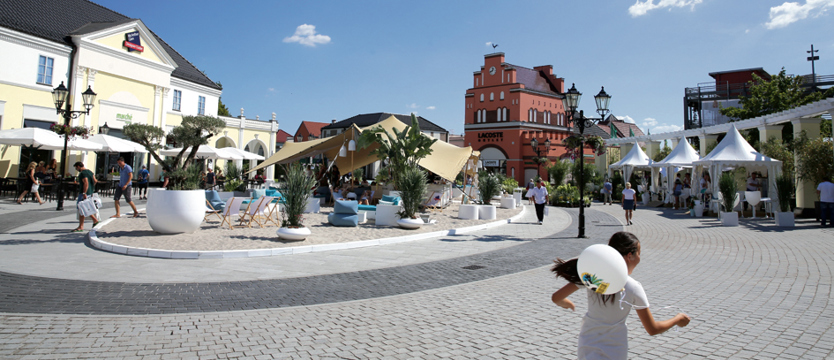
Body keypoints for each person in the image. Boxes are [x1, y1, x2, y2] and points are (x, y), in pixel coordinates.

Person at [551, 232, 690, 359]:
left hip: (587, 348)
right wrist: (678, 319)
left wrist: (567, 304)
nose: (640, 258)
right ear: (630, 256)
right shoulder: (633, 287)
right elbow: (653, 329)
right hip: (614, 352)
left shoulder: (594, 277)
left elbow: (556, 298)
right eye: (639, 253)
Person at [71, 162, 100, 232]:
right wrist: (91, 188)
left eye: (76, 168)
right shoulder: (90, 172)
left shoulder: (82, 173)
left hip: (84, 193)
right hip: (90, 193)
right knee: (85, 208)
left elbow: (86, 182)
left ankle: (82, 226)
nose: (76, 169)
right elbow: (95, 181)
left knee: (82, 208)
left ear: (78, 166)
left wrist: (84, 192)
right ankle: (92, 221)